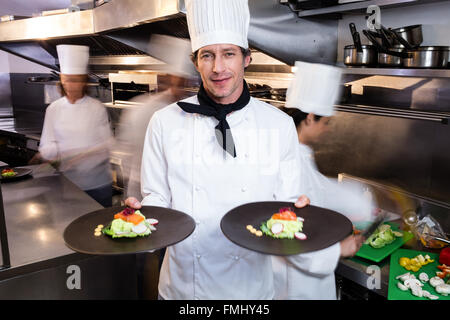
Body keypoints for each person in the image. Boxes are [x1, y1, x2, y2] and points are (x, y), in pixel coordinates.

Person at [273, 61, 371, 300]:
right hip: (296, 286)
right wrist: (338, 249)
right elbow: (286, 231)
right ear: (310, 117)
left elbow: (320, 190)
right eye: (326, 122)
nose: (328, 130)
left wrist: (361, 199)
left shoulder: (292, 152)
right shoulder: (291, 162)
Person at [116, 35, 198, 201]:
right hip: (141, 188)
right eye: (178, 82)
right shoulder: (142, 109)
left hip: (175, 191)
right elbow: (126, 154)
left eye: (184, 83)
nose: (182, 88)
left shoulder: (191, 110)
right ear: (165, 79)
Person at [39, 44, 113, 207]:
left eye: (75, 81)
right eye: (67, 80)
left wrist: (80, 157)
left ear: (83, 82)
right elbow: (46, 145)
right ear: (62, 81)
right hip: (67, 185)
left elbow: (106, 145)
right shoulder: (53, 109)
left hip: (97, 185)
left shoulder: (96, 108)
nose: (70, 85)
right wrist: (54, 154)